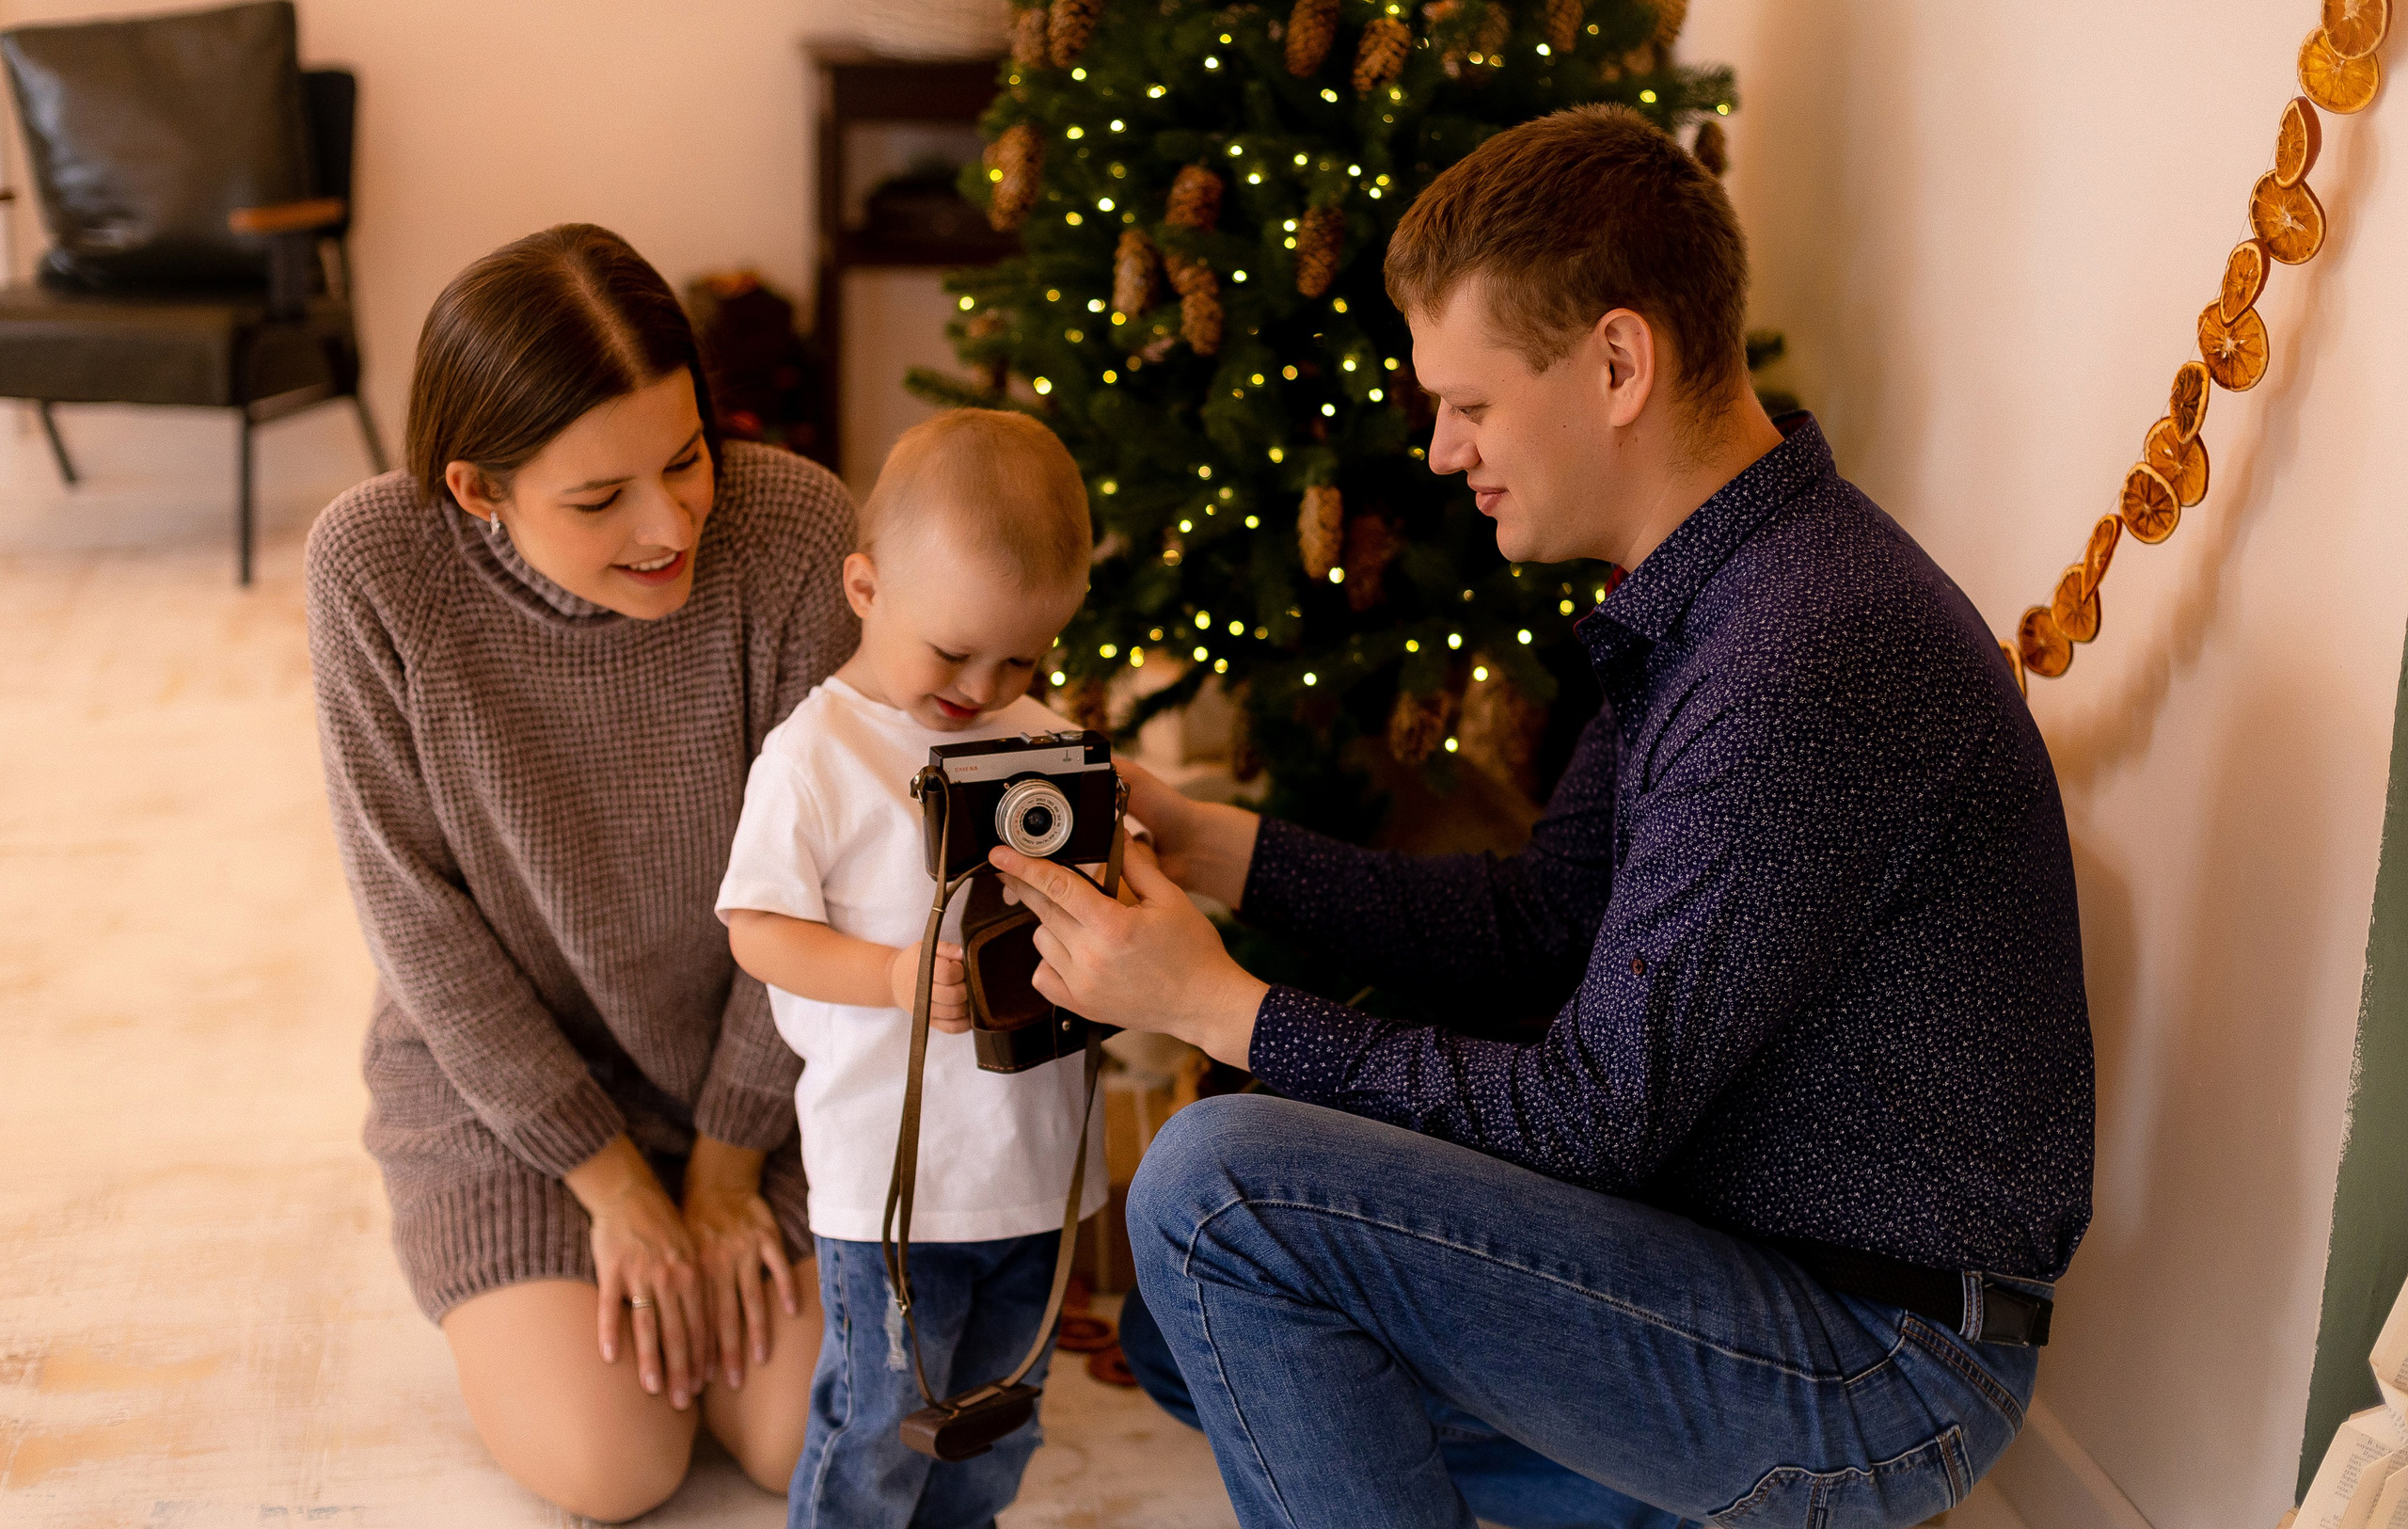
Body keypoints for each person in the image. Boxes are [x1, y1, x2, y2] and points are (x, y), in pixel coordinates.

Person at [988, 105, 2096, 1529]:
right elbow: (1536, 922)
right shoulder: (1725, 589)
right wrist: (1211, 840)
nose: (1444, 453)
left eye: (1469, 403)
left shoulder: (1797, 656)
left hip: (1871, 1364)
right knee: (1187, 1332)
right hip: (1739, 1258)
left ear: (1618, 362)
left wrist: (1223, 1005)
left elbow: (1591, 1119)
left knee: (1214, 1194)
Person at [306, 225, 855, 1521]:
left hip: (765, 1069)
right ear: (478, 489)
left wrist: (723, 1165)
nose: (669, 523)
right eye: (600, 499)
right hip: (508, 1102)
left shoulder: (793, 535)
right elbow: (413, 915)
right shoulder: (375, 565)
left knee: (797, 1436)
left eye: (686, 459)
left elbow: (829, 878)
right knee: (614, 1465)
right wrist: (609, 1181)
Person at [715, 409, 1111, 1529]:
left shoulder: (1043, 740)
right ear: (864, 586)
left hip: (1034, 1170)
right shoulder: (816, 758)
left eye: (1021, 657)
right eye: (952, 650)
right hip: (893, 1188)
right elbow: (756, 928)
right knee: (880, 1423)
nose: (982, 688)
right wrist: (893, 975)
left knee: (999, 1416)